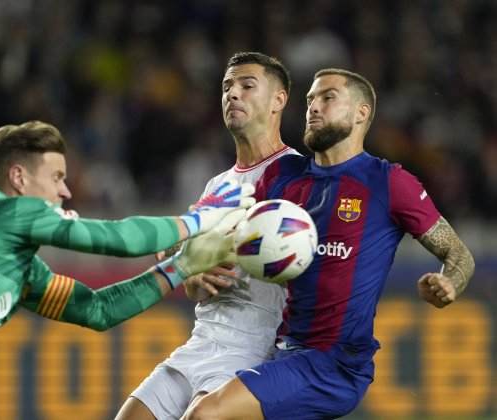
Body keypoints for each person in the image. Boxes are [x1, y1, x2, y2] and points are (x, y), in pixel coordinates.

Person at [0, 120, 256, 419]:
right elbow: (119, 240)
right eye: (56, 177)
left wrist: (180, 266)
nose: (65, 192)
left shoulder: (21, 271)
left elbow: (97, 311)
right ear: (18, 178)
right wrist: (199, 219)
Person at [182, 69, 476, 420]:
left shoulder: (387, 182)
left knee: (205, 414)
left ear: (361, 113)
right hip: (282, 351)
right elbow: (222, 233)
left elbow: (458, 253)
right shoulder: (284, 176)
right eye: (309, 100)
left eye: (327, 97)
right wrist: (194, 259)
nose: (313, 108)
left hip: (334, 363)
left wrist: (449, 283)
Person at [116, 52, 300, 420]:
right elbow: (195, 287)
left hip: (253, 350)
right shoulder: (218, 185)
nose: (233, 94)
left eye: (248, 86)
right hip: (201, 342)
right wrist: (195, 273)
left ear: (279, 100)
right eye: (227, 87)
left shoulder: (299, 176)